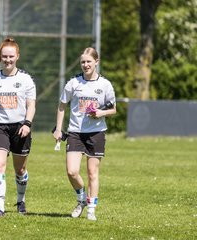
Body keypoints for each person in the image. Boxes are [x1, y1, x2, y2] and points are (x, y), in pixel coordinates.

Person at [53, 47, 116, 221]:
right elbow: (62, 105)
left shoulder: (105, 85)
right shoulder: (73, 83)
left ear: (97, 61)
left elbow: (113, 109)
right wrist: (59, 128)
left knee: (92, 173)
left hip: (96, 133)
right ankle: (81, 198)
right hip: (75, 133)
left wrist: (100, 113)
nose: (86, 64)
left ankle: (91, 210)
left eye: (89, 61)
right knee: (72, 171)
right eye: (83, 62)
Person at [0, 38, 36, 217]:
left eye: (11, 56)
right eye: (4, 56)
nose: (8, 60)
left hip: (21, 128)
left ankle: (21, 201)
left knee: (20, 170)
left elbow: (31, 105)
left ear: (17, 56)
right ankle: (0, 208)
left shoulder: (26, 79)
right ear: (0, 57)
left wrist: (27, 124)